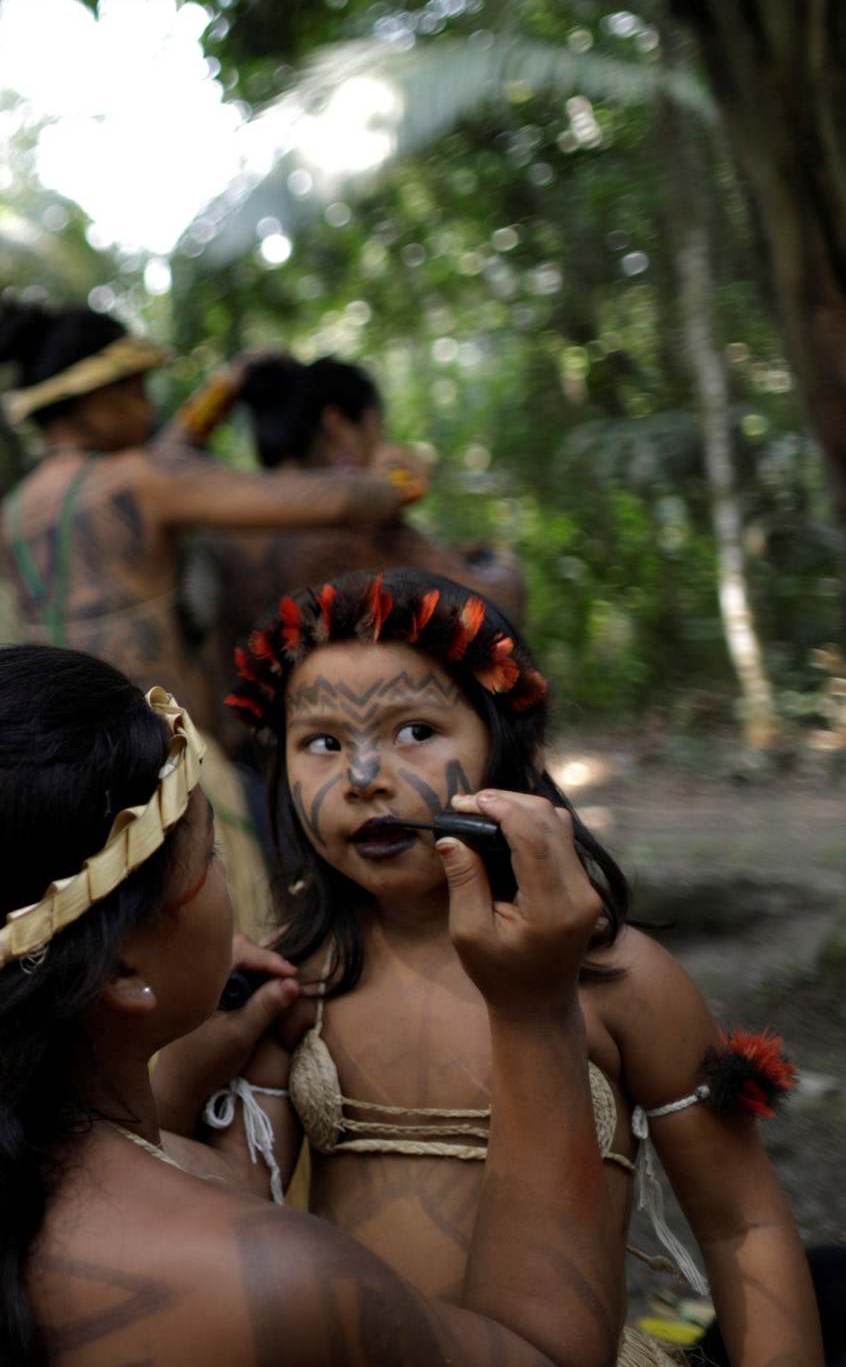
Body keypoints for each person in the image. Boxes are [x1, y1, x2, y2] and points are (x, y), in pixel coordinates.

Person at [0, 643, 631, 1367]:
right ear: (125, 967)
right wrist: (534, 1009)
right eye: (208, 859)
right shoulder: (276, 1286)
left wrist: (162, 1083)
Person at [211, 569, 822, 1367]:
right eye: (322, 743)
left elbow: (743, 1224)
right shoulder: (295, 985)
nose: (364, 778)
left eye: (414, 731)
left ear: (514, 747)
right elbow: (233, 1227)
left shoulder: (618, 979)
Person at [0, 300, 417, 936]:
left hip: (57, 770)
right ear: (96, 398)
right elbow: (336, 499)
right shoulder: (142, 478)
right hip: (168, 774)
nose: (149, 405)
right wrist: (397, 478)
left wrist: (223, 390)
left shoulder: (18, 510)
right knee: (258, 938)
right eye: (135, 389)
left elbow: (164, 459)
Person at [197, 353, 524, 742]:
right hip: (352, 754)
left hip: (249, 760)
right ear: (337, 425)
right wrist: (499, 560)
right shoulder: (357, 523)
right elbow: (496, 611)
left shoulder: (220, 525)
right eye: (376, 428)